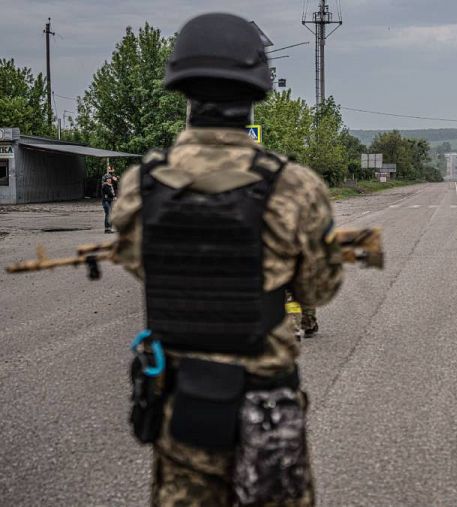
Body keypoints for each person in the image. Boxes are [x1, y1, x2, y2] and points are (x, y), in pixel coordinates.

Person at [110, 12, 343, 506]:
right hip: (267, 407)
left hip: (183, 410)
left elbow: (139, 265)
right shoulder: (295, 188)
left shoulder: (141, 187)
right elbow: (319, 290)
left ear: (183, 89)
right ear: (259, 86)